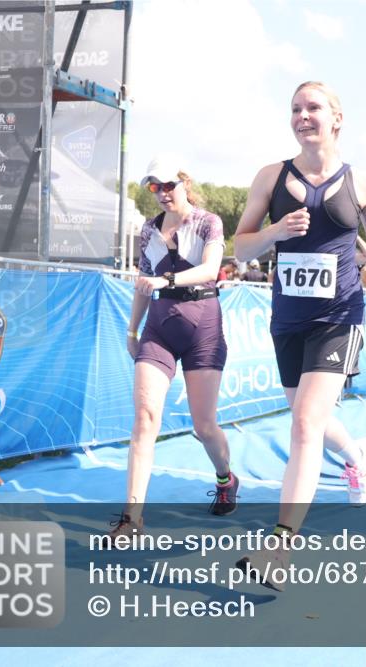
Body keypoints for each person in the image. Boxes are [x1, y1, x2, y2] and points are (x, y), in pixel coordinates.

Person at [233, 81, 366, 587]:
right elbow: (240, 249)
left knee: (306, 423)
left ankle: (279, 548)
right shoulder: (270, 177)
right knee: (306, 415)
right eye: (295, 109)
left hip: (339, 315)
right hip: (289, 318)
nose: (302, 116)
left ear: (337, 119)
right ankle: (355, 455)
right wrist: (275, 232)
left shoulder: (361, 182)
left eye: (313, 107)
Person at [106, 156, 237, 544]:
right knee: (145, 419)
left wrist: (166, 279)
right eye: (154, 187)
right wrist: (132, 330)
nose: (162, 193)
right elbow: (142, 283)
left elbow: (210, 269)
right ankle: (132, 519)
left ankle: (225, 479)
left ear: (184, 183)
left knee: (204, 426)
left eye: (168, 185)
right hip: (159, 329)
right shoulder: (149, 229)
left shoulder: (208, 221)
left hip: (203, 328)